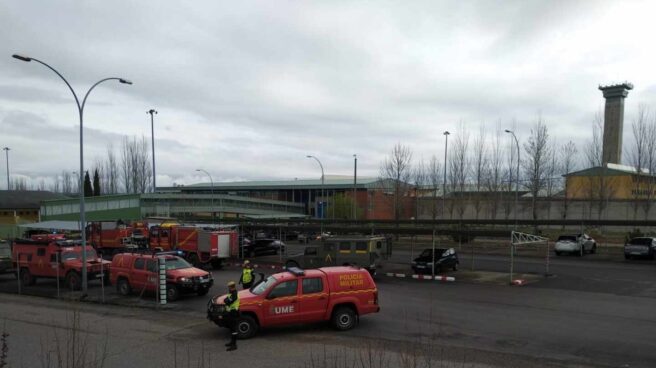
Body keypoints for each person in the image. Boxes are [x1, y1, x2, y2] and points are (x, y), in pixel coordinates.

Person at [224, 281, 240, 351]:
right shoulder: (232, 293)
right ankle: (232, 342)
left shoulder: (234, 294)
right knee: (231, 328)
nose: (228, 288)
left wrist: (226, 300)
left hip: (234, 313)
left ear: (231, 287)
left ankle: (234, 345)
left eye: (229, 287)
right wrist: (226, 300)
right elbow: (225, 300)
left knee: (233, 329)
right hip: (231, 312)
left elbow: (228, 301)